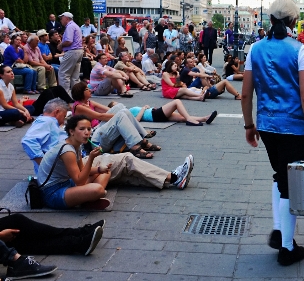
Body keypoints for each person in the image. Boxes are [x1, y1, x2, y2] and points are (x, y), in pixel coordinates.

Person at [242, 0, 304, 266]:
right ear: (293, 21)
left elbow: (246, 95)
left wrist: (249, 126)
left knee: (280, 176)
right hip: (294, 127)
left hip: (266, 125)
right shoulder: (301, 51)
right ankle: (287, 249)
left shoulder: (254, 49)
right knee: (292, 184)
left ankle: (280, 229)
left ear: (271, 19)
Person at [22, 98, 194, 190]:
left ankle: (169, 179)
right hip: (75, 166)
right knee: (126, 160)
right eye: (63, 115)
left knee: (122, 170)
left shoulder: (52, 124)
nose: (64, 120)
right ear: (57, 111)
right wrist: (44, 163)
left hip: (81, 160)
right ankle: (173, 177)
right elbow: (28, 141)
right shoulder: (45, 121)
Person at [36, 115, 112, 210]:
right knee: (98, 189)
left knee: (106, 172)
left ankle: (86, 199)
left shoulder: (76, 146)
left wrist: (100, 169)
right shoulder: (67, 151)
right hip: (52, 192)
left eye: (89, 129)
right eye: (82, 129)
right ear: (71, 131)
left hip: (66, 183)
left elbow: (82, 170)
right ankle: (89, 198)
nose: (87, 133)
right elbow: (80, 181)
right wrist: (91, 158)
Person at [71, 82, 161, 159]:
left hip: (100, 129)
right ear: (81, 92)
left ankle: (142, 139)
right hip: (94, 138)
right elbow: (100, 116)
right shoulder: (78, 107)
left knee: (120, 107)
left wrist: (123, 115)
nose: (90, 90)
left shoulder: (90, 103)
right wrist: (121, 117)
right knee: (121, 115)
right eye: (87, 89)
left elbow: (109, 110)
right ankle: (136, 146)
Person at [113, 100, 217, 126]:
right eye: (115, 104)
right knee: (176, 102)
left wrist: (147, 108)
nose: (119, 104)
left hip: (154, 113)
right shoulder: (126, 112)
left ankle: (204, 118)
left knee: (181, 117)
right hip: (154, 115)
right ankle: (190, 120)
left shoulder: (128, 110)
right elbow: (137, 120)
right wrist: (143, 109)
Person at [57, 12, 84, 96]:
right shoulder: (76, 26)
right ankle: (77, 95)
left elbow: (69, 41)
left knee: (63, 74)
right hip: (79, 51)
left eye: (62, 18)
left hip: (72, 51)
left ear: (66, 18)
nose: (61, 20)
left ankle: (65, 96)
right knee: (75, 77)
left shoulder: (70, 26)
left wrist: (61, 45)